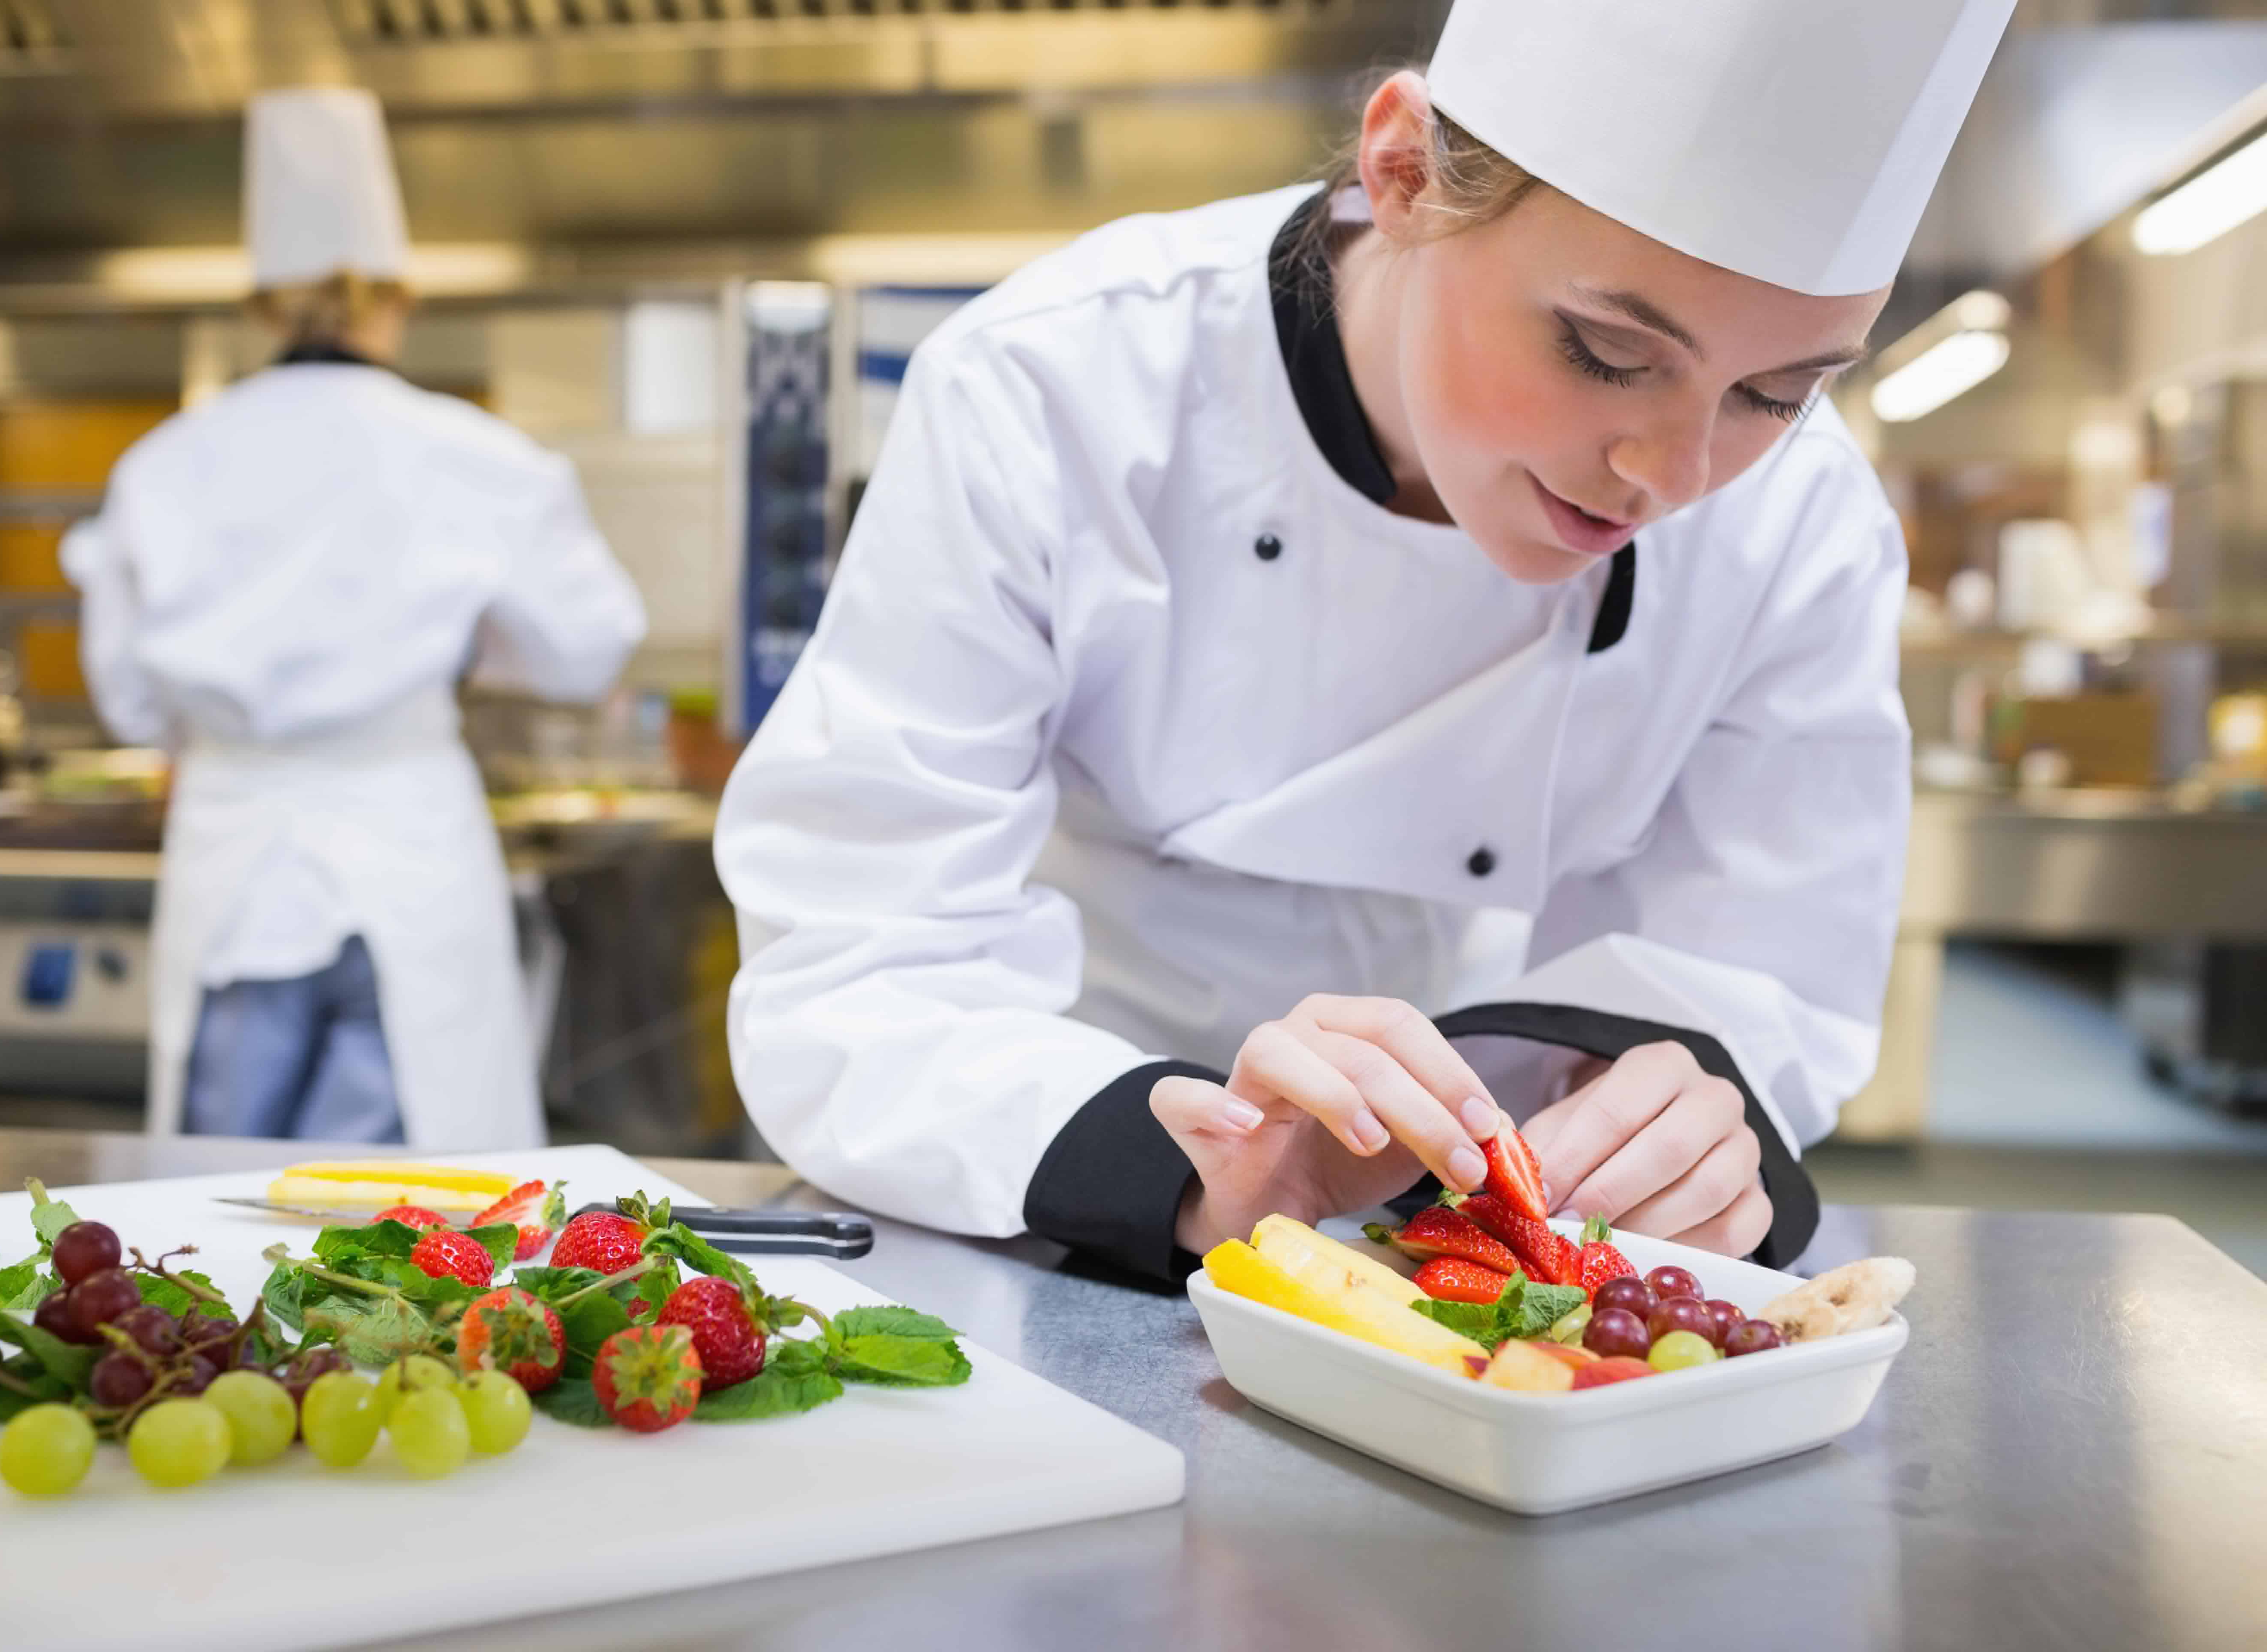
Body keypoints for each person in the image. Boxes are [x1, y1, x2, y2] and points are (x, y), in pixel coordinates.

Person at [715, 0, 2017, 1279]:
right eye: (1609, 352)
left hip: (1485, 1236)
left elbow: (1767, 960)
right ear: (1399, 171)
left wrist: (1681, 1117)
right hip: (1042, 1193)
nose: (1670, 473)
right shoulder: (1058, 386)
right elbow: (857, 952)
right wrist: (1172, 1157)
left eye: (1776, 394)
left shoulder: (1801, 522)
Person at [66, 89, 645, 1149]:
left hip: (234, 850)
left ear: (261, 306)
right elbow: (586, 650)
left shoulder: (164, 464)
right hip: (409, 841)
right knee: (413, 1210)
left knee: (214, 1194)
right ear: (398, 299)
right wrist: (473, 648)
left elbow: (128, 698)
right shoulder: (474, 456)